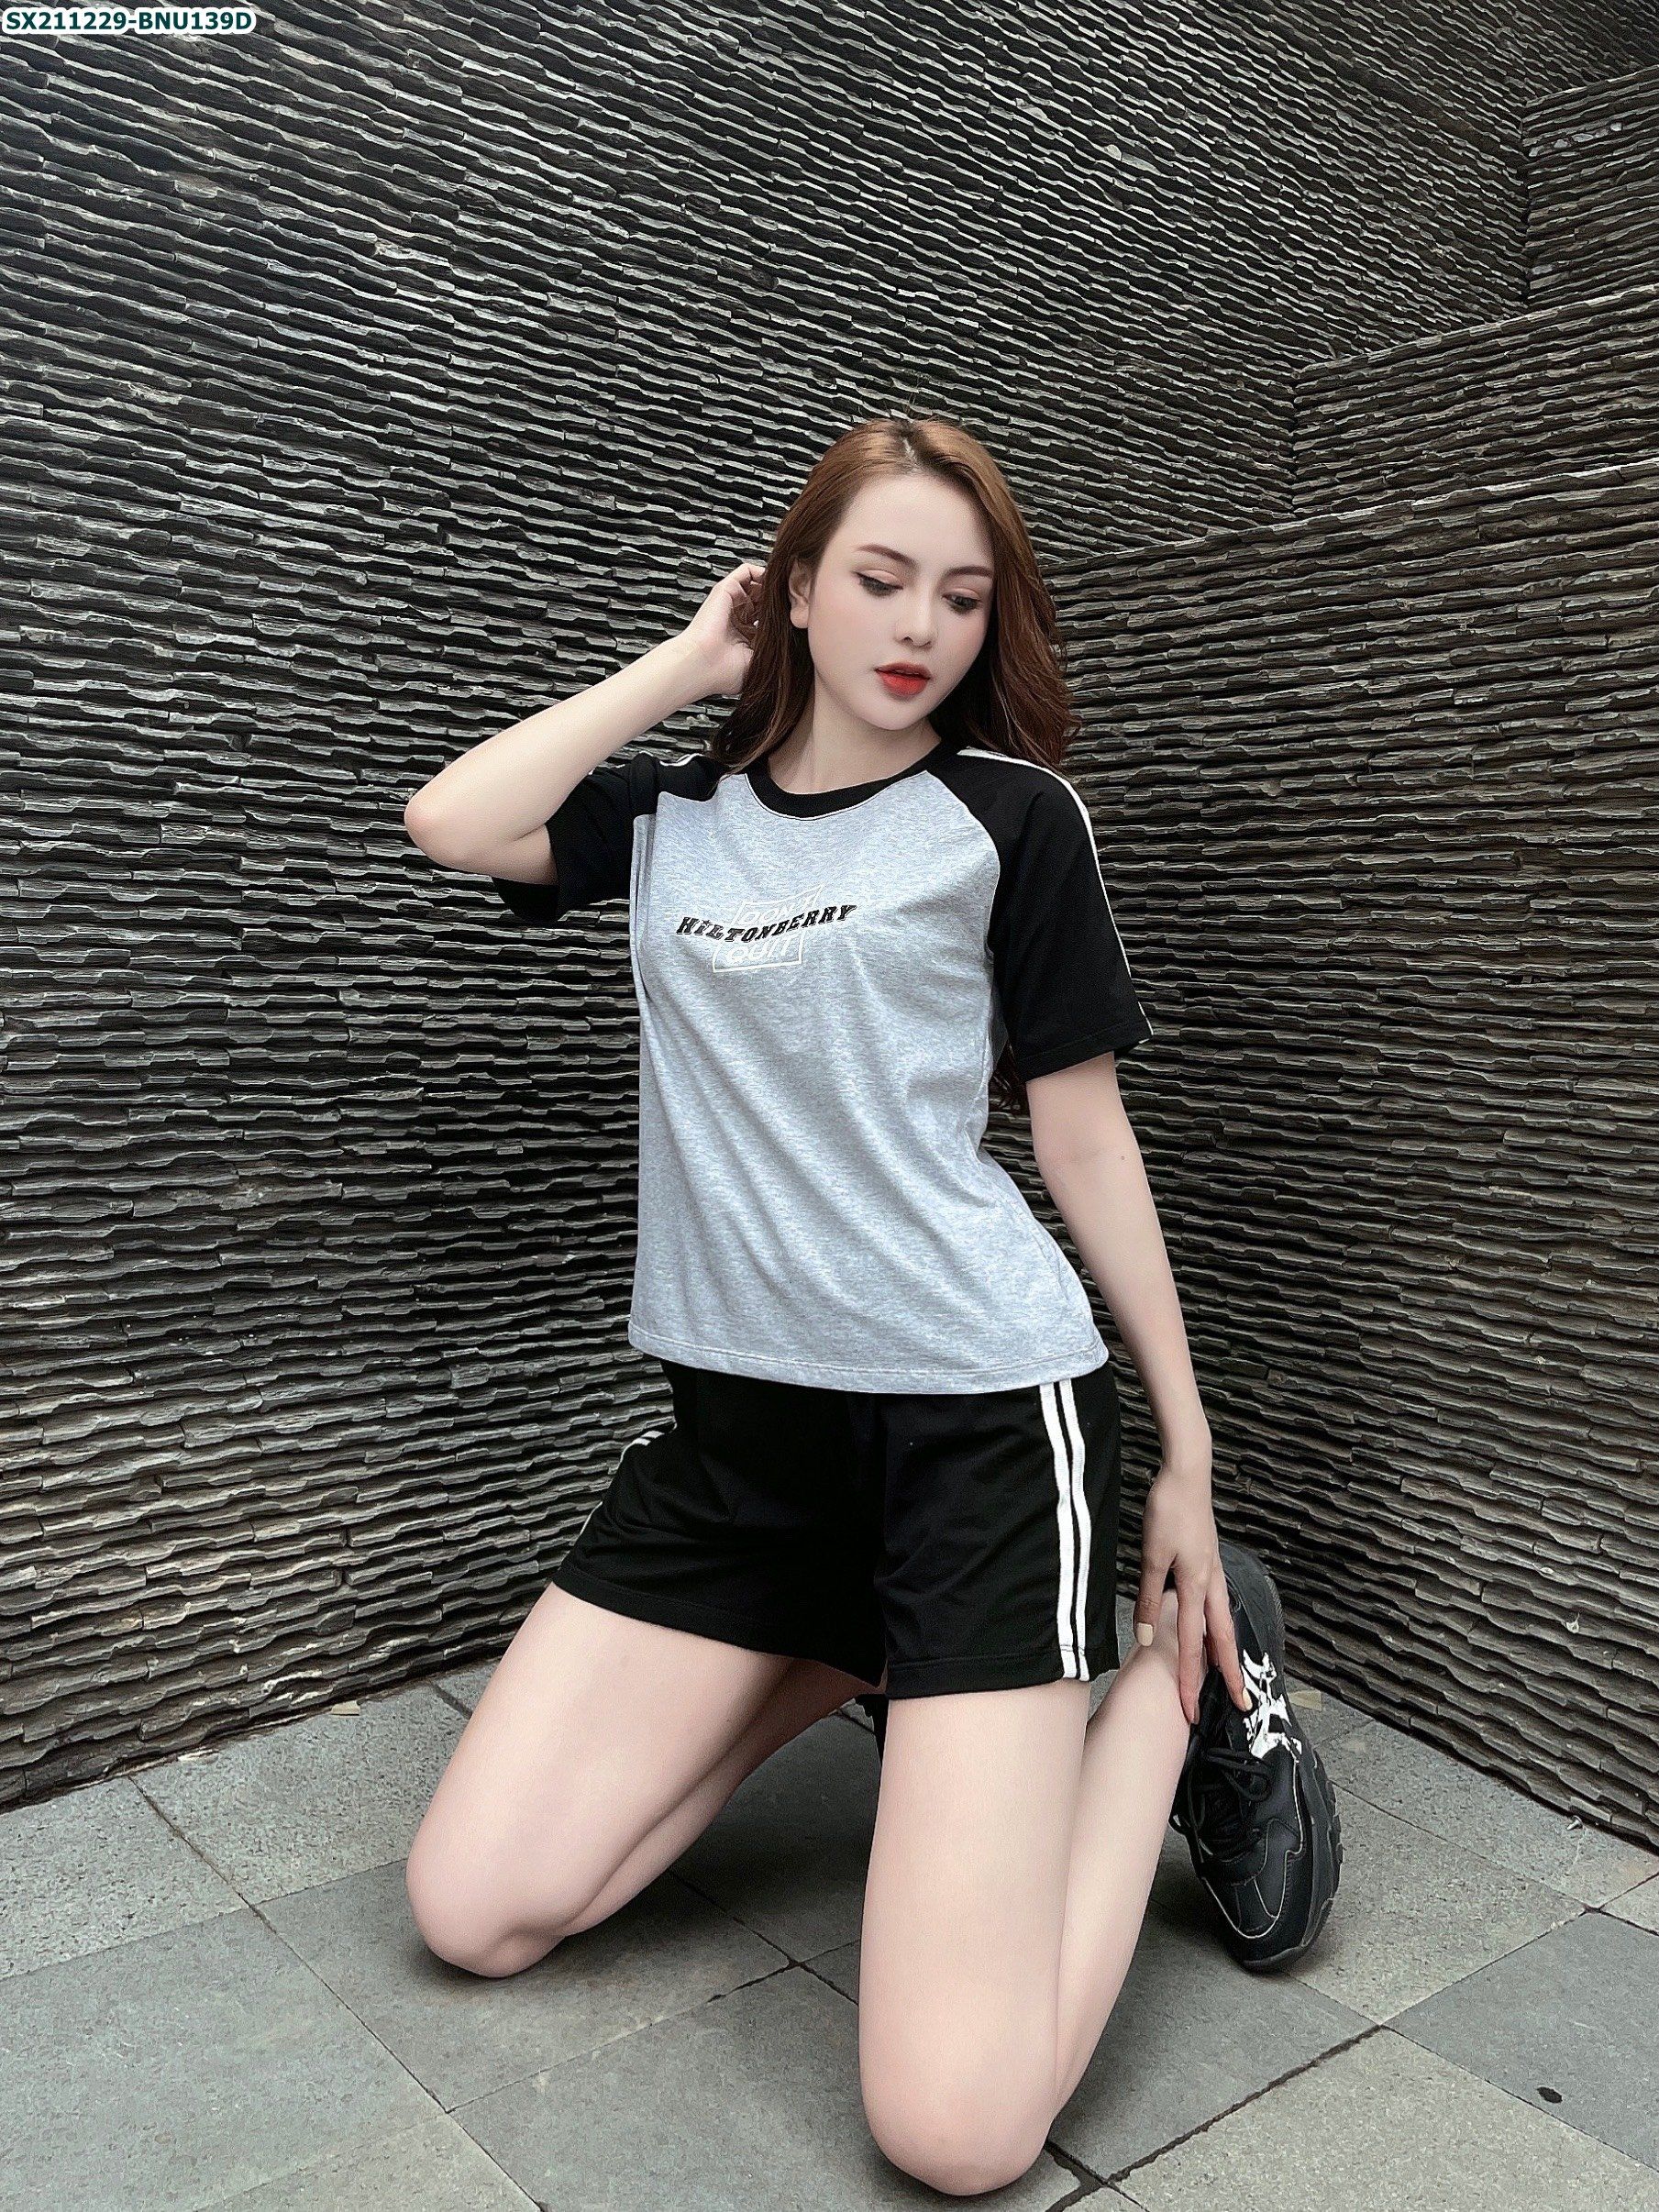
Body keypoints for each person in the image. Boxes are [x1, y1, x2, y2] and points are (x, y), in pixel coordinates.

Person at [399, 416, 1341, 2195]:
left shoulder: (1007, 819)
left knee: (956, 2131)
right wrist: (690, 664)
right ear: (800, 591)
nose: (920, 627)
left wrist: (1187, 1454)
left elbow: (1080, 1136)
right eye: (882, 580)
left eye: (963, 598)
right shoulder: (671, 823)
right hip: (743, 1450)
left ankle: (1183, 1676)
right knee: (474, 1908)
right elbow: (451, 821)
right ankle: (873, 1649)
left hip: (978, 1431)